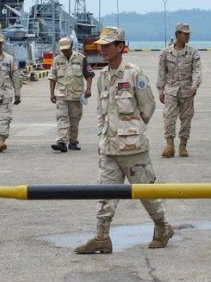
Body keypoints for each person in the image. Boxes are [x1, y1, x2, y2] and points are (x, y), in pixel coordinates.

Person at [74, 26, 173, 254]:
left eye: (108, 45)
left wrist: (132, 130)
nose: (103, 49)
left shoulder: (134, 73)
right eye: (102, 45)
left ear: (120, 47)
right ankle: (101, 238)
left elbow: (148, 106)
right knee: (104, 194)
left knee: (146, 193)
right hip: (109, 148)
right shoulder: (103, 77)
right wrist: (102, 139)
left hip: (133, 149)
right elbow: (101, 112)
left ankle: (162, 227)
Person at [156, 22, 202, 158]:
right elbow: (161, 72)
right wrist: (160, 90)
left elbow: (197, 71)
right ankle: (169, 146)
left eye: (188, 34)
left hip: (187, 90)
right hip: (170, 90)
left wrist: (195, 86)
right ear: (177, 35)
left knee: (186, 119)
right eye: (185, 34)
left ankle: (183, 145)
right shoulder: (166, 53)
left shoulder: (193, 52)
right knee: (169, 117)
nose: (187, 36)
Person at [49, 37, 94, 152]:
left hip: (76, 95)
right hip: (61, 94)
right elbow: (52, 77)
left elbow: (88, 74)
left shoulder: (80, 58)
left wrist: (88, 89)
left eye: (67, 49)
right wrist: (52, 93)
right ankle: (62, 142)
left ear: (71, 46)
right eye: (63, 49)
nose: (65, 51)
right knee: (61, 118)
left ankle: (73, 142)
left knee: (74, 119)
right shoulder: (57, 60)